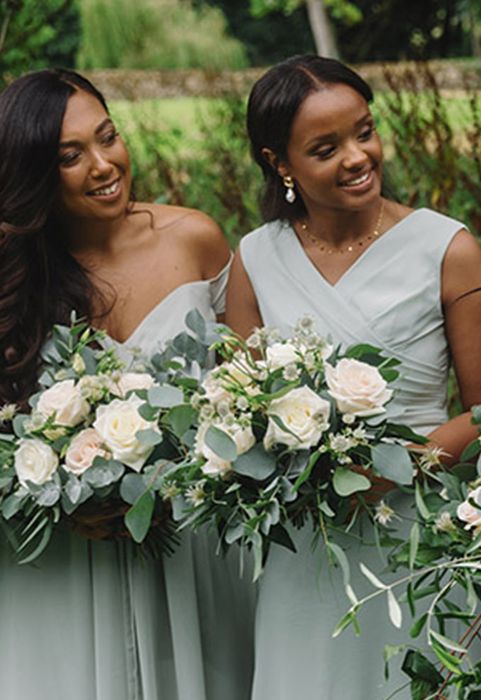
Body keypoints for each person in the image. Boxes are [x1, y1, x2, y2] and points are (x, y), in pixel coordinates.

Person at [225, 54, 481, 698]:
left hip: (418, 532)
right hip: (304, 543)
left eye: (365, 131)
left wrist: (408, 464)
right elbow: (240, 410)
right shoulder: (255, 258)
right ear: (280, 163)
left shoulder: (448, 248)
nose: (358, 156)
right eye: (326, 148)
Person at [0, 69, 255, 700]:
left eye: (107, 137)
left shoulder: (193, 239)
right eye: (70, 156)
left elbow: (254, 390)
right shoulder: (14, 278)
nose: (103, 164)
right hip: (61, 564)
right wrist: (55, 505)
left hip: (191, 549)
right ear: (33, 173)